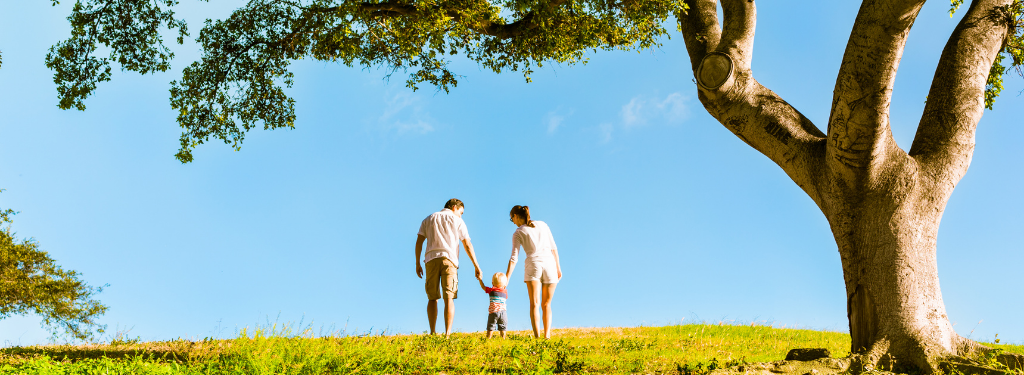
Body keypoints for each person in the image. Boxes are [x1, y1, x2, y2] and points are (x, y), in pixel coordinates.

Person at [415, 198, 483, 336]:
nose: (461, 215)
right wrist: (476, 266)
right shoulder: (458, 221)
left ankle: (432, 332)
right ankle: (447, 333)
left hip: (431, 259)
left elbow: (419, 242)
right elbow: (467, 244)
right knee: (449, 297)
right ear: (454, 207)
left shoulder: (429, 218)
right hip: (449, 260)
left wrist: (417, 262)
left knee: (432, 297)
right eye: (461, 212)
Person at [505, 205, 562, 339]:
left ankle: (537, 337)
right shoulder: (543, 224)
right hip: (550, 265)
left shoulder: (518, 232)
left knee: (534, 303)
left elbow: (514, 258)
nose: (513, 222)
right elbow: (554, 248)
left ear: (516, 216)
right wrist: (558, 268)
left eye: (511, 219)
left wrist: (507, 277)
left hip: (533, 265)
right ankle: (547, 336)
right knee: (547, 304)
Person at [477, 272, 509, 339]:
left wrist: (480, 280)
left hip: (493, 311)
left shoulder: (491, 290)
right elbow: (506, 297)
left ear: (492, 283)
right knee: (503, 326)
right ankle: (503, 338)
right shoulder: (505, 291)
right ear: (505, 284)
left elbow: (483, 287)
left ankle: (489, 337)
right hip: (503, 312)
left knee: (491, 326)